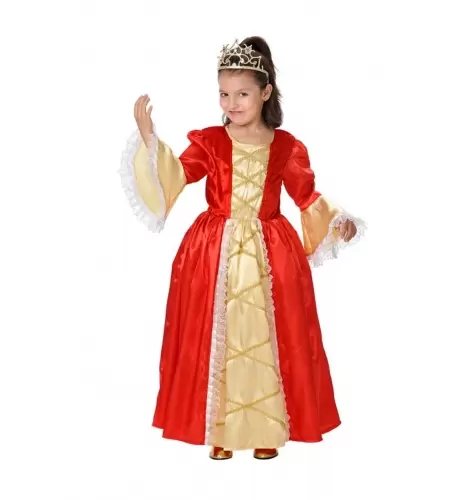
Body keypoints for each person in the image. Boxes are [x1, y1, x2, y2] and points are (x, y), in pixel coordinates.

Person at [119, 36, 367, 460]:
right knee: (220, 334)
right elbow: (178, 174)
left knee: (264, 336)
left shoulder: (285, 146)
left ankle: (267, 425)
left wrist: (337, 220)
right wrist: (150, 141)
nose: (231, 103)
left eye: (242, 94)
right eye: (224, 94)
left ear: (265, 92)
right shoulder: (211, 141)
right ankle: (220, 427)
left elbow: (306, 195)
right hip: (213, 252)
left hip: (271, 253)